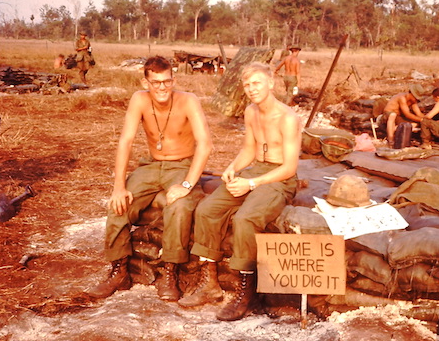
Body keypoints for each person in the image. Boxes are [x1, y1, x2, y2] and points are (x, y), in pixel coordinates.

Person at [178, 62, 301, 321]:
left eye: (256, 83)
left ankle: (247, 292)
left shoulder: (288, 117)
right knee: (207, 209)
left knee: (245, 218)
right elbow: (249, 149)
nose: (251, 89)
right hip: (255, 170)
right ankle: (209, 282)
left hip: (279, 178)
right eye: (247, 85)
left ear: (270, 83)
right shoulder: (251, 112)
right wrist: (232, 168)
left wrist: (252, 184)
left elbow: (290, 167)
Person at [87, 56, 212, 302]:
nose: (162, 88)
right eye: (155, 83)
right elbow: (126, 141)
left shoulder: (188, 101)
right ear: (146, 82)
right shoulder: (139, 100)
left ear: (173, 80)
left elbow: (205, 145)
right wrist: (119, 187)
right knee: (119, 205)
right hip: (151, 165)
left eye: (166, 82)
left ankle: (170, 270)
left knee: (178, 206)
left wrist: (187, 184)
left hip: (181, 165)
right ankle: (119, 269)